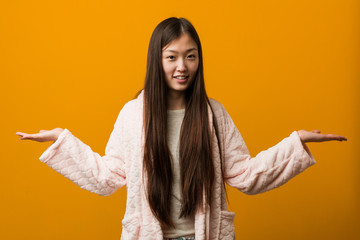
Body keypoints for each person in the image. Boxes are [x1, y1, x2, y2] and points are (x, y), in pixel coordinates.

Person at [16, 17, 347, 240]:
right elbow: (107, 176)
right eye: (171, 57)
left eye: (190, 56)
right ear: (157, 60)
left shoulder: (214, 115)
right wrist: (62, 141)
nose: (182, 66)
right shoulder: (133, 116)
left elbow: (245, 175)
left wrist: (295, 144)